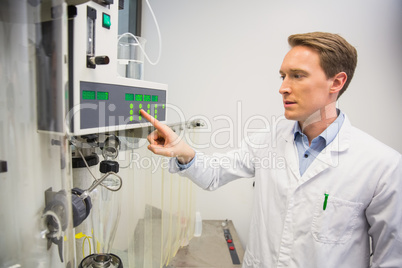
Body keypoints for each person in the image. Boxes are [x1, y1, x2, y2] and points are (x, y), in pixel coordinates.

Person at [140, 32, 402, 268]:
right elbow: (214, 174)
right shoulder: (268, 140)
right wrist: (182, 150)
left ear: (336, 82)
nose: (283, 87)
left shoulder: (383, 166)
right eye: (283, 76)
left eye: (298, 75)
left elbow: (391, 259)